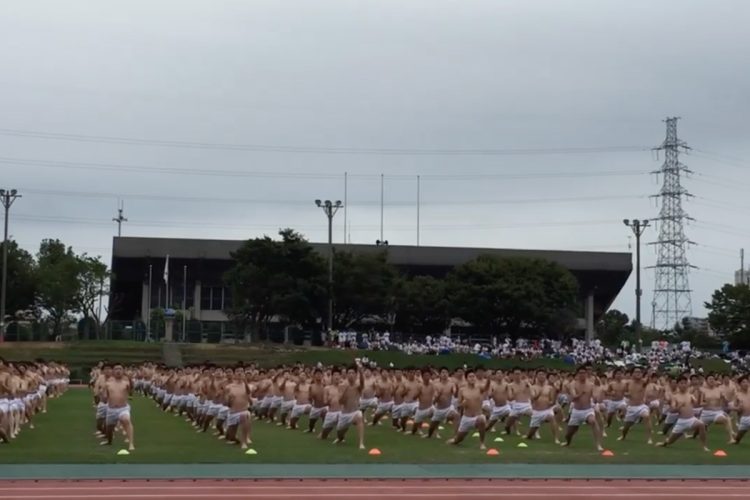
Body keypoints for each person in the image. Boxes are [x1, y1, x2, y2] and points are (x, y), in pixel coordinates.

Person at [656, 376, 710, 452]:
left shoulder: (690, 395)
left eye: (685, 383)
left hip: (691, 419)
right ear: (678, 385)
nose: (683, 385)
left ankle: (704, 446)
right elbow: (673, 410)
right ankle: (664, 443)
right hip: (681, 422)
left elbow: (697, 404)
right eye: (681, 383)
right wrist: (679, 406)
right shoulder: (675, 397)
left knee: (701, 425)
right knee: (670, 441)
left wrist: (700, 395)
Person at [561, 366, 604, 452]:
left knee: (593, 421)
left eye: (584, 373)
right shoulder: (573, 384)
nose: (582, 375)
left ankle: (598, 445)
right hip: (576, 411)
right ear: (577, 374)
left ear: (587, 374)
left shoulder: (591, 385)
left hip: (587, 410)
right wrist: (581, 393)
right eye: (580, 373)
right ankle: (568, 442)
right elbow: (573, 398)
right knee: (569, 434)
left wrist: (599, 393)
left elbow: (595, 398)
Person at [447, 369, 490, 449]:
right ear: (466, 378)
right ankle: (455, 439)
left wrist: (489, 379)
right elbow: (458, 406)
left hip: (477, 416)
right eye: (470, 377)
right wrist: (462, 404)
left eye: (473, 376)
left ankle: (482, 443)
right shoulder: (462, 390)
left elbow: (486, 387)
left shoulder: (479, 388)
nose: (472, 378)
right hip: (466, 418)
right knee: (457, 441)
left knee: (482, 419)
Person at [103, 364, 134, 451]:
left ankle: (131, 444)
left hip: (123, 408)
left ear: (123, 371)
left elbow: (131, 391)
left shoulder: (126, 383)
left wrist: (130, 380)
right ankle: (109, 441)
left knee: (126, 420)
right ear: (113, 372)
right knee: (109, 428)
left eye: (120, 369)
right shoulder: (108, 384)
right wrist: (103, 395)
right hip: (111, 409)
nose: (118, 371)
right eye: (116, 369)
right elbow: (105, 398)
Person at [619, 367, 653, 444]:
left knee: (646, 416)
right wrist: (627, 394)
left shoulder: (643, 382)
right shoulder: (628, 383)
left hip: (641, 406)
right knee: (626, 426)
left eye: (640, 372)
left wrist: (649, 374)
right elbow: (623, 392)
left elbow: (647, 380)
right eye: (636, 372)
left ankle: (649, 438)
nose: (638, 373)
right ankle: (623, 436)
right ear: (632, 374)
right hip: (631, 407)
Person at [335, 365, 366, 448]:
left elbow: (362, 383)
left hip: (354, 412)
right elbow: (340, 402)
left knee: (360, 417)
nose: (351, 374)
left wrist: (361, 372)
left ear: (356, 375)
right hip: (344, 414)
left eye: (353, 373)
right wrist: (345, 390)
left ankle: (361, 443)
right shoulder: (342, 386)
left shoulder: (358, 386)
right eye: (349, 373)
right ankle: (340, 438)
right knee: (340, 433)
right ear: (346, 375)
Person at [526, 369, 559, 444]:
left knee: (552, 417)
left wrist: (554, 398)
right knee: (530, 435)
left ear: (545, 376)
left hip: (546, 410)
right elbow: (533, 398)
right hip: (536, 412)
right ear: (537, 376)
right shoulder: (533, 387)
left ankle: (556, 439)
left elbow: (552, 401)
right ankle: (530, 434)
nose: (541, 376)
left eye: (543, 374)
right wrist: (539, 393)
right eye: (540, 374)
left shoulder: (549, 388)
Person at [224, 368, 252, 449]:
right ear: (234, 374)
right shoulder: (229, 387)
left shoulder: (247, 386)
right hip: (232, 412)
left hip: (243, 410)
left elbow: (249, 392)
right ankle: (237, 439)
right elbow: (227, 404)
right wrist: (229, 400)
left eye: (241, 372)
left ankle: (244, 442)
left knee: (245, 415)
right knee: (230, 437)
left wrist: (245, 381)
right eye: (237, 372)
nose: (239, 373)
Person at [731, 375, 750, 445]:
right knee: (737, 439)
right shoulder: (738, 395)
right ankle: (735, 440)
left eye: (747, 382)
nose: (746, 384)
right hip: (744, 419)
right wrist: (738, 408)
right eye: (743, 382)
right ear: (740, 384)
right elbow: (733, 407)